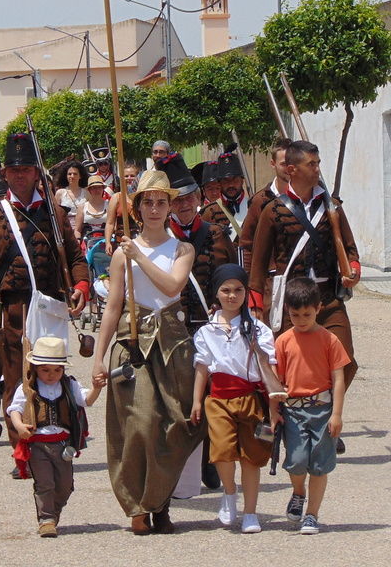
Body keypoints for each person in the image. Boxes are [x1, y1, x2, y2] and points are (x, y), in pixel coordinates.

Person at [91, 169, 203, 535]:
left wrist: (140, 256)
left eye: (161, 202)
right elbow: (112, 306)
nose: (155, 209)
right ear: (137, 208)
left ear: (170, 206)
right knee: (139, 425)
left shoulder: (182, 249)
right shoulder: (123, 254)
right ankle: (138, 504)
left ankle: (161, 503)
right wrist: (97, 357)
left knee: (173, 426)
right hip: (131, 342)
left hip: (171, 341)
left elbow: (172, 286)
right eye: (148, 202)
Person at [0, 133, 89, 462]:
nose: (20, 175)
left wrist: (81, 286)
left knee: (55, 379)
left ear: (37, 173)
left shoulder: (55, 215)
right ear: (5, 174)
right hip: (15, 314)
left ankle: (56, 441)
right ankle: (23, 451)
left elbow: (77, 258)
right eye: (14, 170)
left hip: (51, 309)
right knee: (18, 383)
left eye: (27, 169)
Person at [248, 140, 361, 391]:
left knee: (345, 361)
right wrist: (256, 304)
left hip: (328, 298)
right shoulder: (272, 210)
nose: (317, 169)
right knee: (288, 368)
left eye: (318, 163)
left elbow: (351, 250)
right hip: (291, 300)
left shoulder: (332, 206)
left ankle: (325, 414)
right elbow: (257, 263)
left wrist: (353, 271)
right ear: (292, 169)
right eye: (311, 164)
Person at [158, 151, 236, 491]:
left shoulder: (216, 234)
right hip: (172, 329)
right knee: (175, 399)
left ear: (199, 198)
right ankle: (179, 466)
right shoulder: (160, 240)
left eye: (190, 197)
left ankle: (209, 461)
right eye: (178, 200)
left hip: (208, 326)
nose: (185, 205)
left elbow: (230, 283)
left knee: (210, 397)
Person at [190, 264, 276, 534]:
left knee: (252, 457)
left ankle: (251, 513)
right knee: (222, 452)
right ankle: (229, 492)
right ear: (216, 293)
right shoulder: (206, 332)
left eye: (238, 290)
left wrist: (274, 408)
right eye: (225, 290)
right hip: (218, 398)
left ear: (246, 292)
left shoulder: (259, 329)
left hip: (250, 397)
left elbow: (269, 368)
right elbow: (202, 368)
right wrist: (196, 401)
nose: (232, 296)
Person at [270, 277, 350, 535]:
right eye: (295, 315)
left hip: (323, 410)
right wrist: (274, 410)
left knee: (319, 464)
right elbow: (276, 380)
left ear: (318, 308)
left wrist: (336, 414)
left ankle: (312, 515)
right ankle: (298, 492)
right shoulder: (283, 340)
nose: (301, 320)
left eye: (307, 314)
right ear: (287, 312)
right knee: (296, 460)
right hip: (292, 410)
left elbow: (338, 379)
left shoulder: (329, 340)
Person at [7, 337, 102, 538]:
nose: (51, 375)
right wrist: (19, 426)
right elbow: (14, 409)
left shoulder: (69, 385)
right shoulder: (28, 387)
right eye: (45, 370)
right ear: (35, 368)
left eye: (57, 370)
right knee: (45, 484)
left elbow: (86, 399)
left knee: (65, 486)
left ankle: (53, 513)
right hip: (38, 445)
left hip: (63, 445)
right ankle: (46, 519)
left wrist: (97, 387)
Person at [240, 137, 292, 276]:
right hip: (271, 280)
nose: (289, 168)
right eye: (284, 164)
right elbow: (246, 244)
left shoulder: (309, 198)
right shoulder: (259, 201)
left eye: (293, 163)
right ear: (273, 164)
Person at [200, 147, 250, 249]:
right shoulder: (208, 212)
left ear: (242, 181)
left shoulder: (253, 206)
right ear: (220, 183)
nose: (231, 184)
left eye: (235, 180)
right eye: (226, 181)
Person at [104, 163, 140, 257]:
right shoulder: (116, 197)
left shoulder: (142, 197)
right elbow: (110, 223)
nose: (129, 178)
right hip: (121, 242)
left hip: (140, 241)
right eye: (126, 176)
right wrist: (108, 242)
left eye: (132, 176)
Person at [74, 175, 108, 245]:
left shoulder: (109, 205)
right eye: (94, 188)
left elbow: (114, 226)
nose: (97, 190)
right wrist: (78, 241)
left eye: (99, 187)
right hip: (88, 242)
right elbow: (77, 230)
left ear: (103, 189)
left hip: (106, 241)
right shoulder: (82, 207)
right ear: (89, 190)